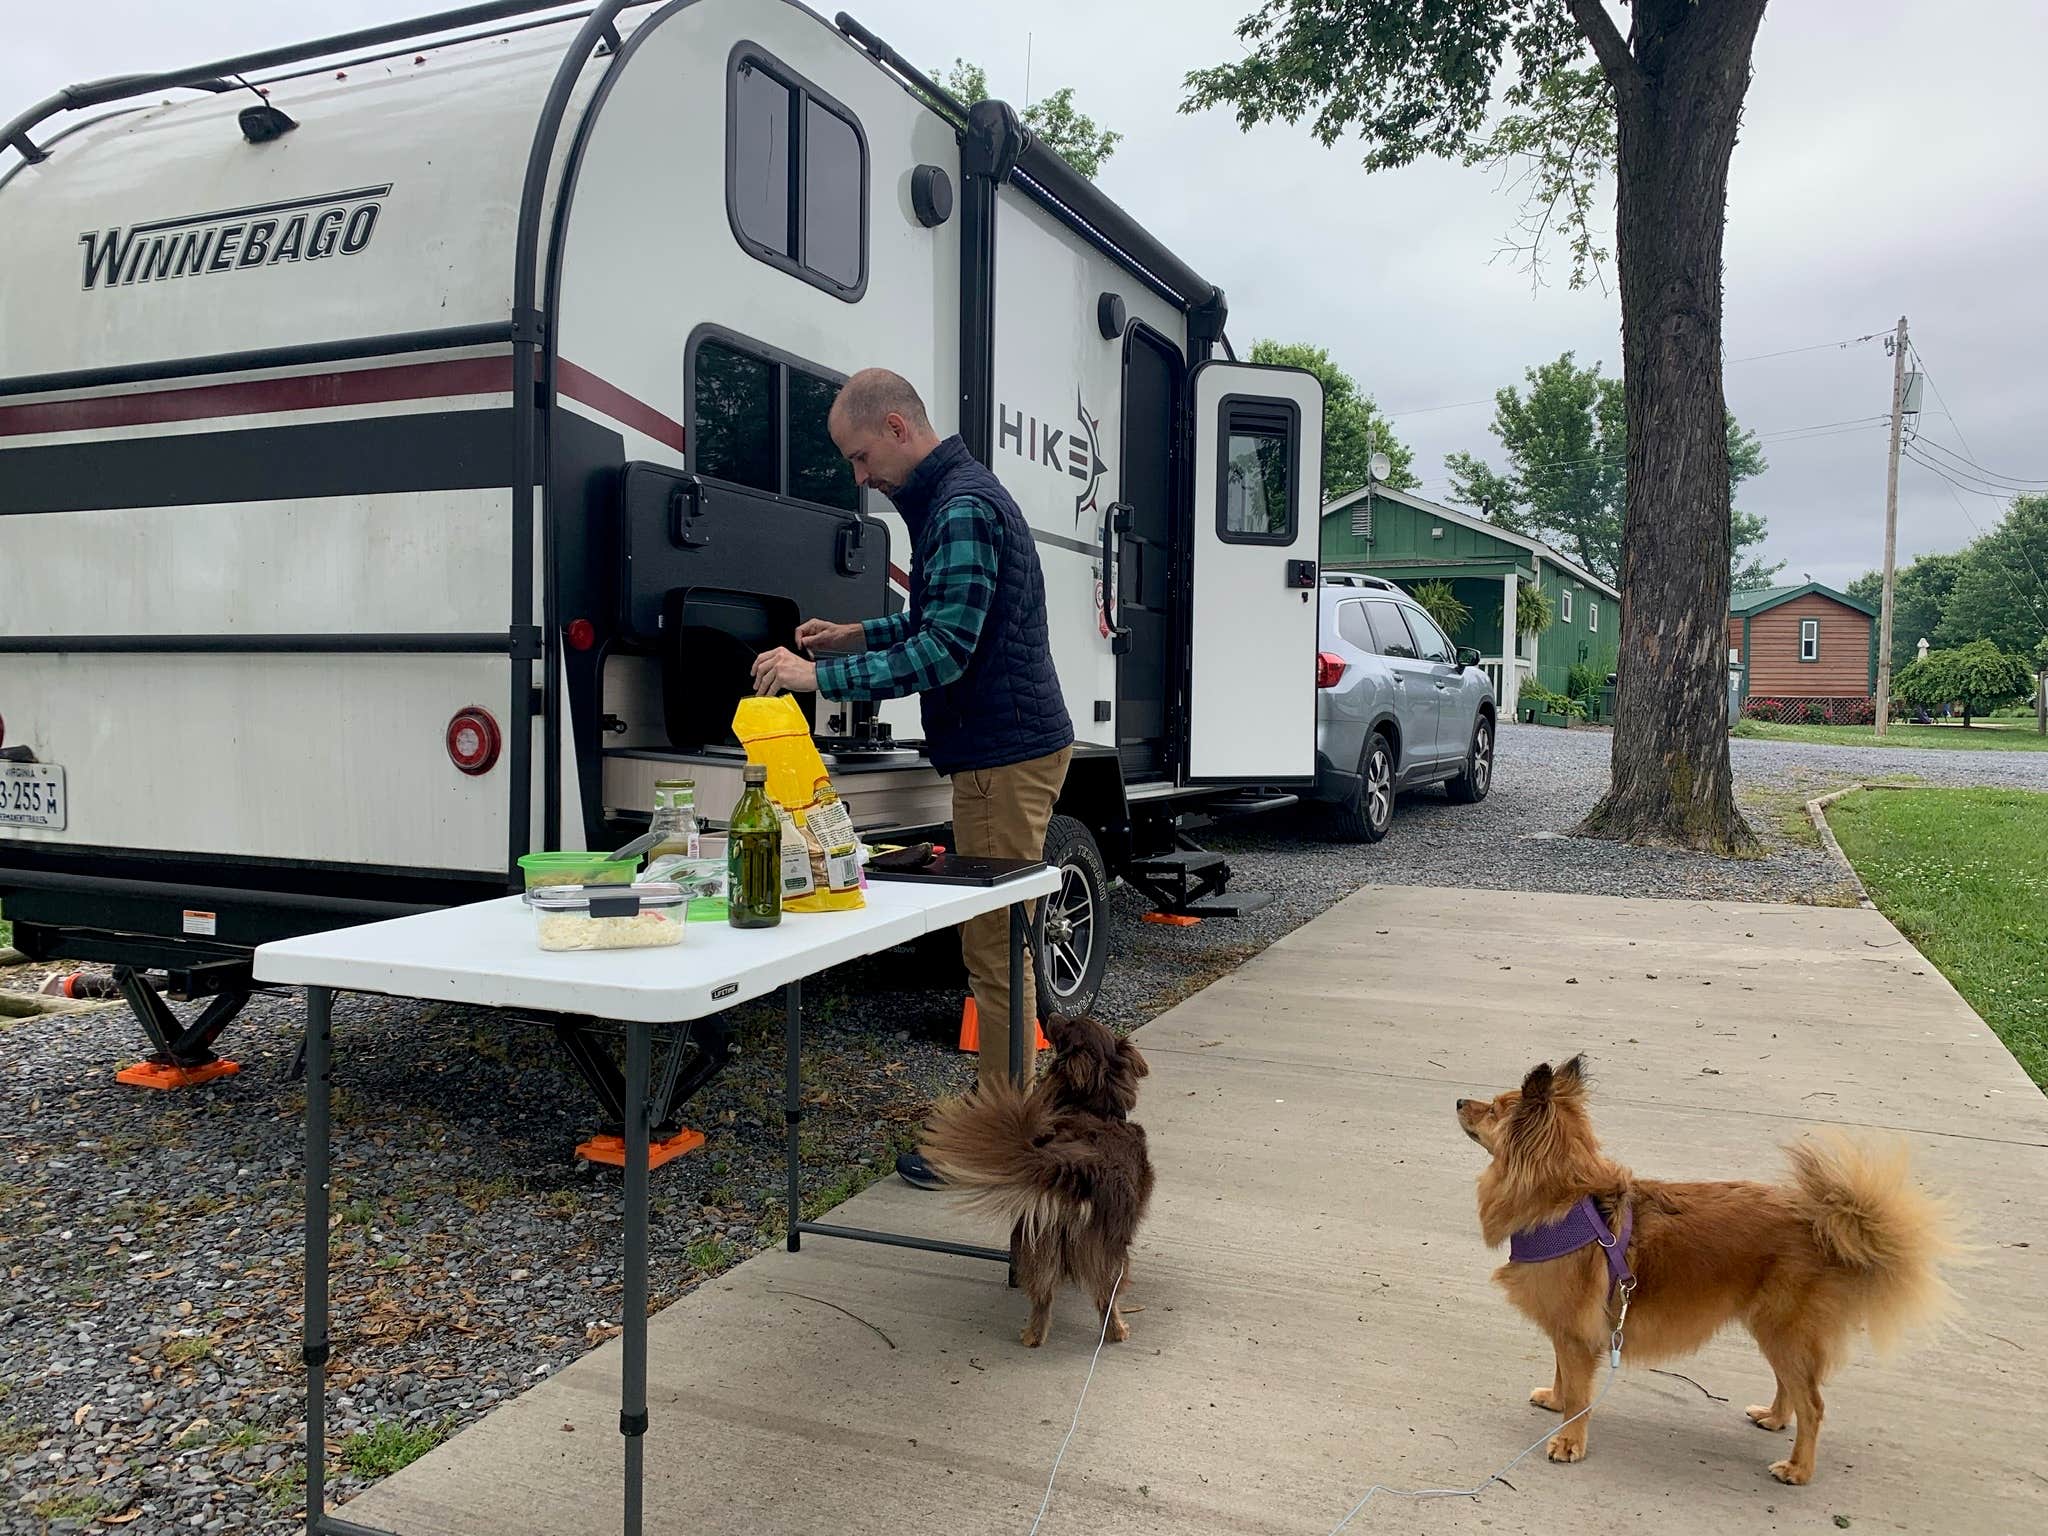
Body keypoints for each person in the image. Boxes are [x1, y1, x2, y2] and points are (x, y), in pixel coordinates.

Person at [751, 369, 1074, 1189]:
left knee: (996, 951)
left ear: (897, 428)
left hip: (1002, 756)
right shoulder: (957, 498)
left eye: (861, 457)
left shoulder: (960, 506)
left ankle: (1002, 1142)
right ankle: (1010, 1122)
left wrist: (815, 676)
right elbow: (942, 615)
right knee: (998, 944)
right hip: (1004, 749)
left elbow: (945, 651)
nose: (861, 478)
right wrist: (855, 634)